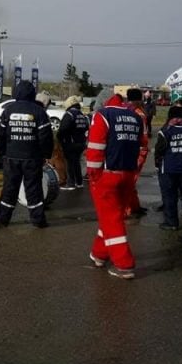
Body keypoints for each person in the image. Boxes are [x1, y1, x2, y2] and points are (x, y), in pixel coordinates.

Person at [86, 93, 146, 279]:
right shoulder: (136, 117)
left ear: (103, 101)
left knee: (112, 220)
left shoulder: (103, 115)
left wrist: (93, 174)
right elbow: (143, 144)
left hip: (107, 174)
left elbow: (95, 147)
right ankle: (99, 254)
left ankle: (124, 264)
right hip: (127, 174)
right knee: (112, 216)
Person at [0, 80, 54, 228]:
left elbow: (0, 134)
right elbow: (45, 136)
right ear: (32, 94)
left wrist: (0, 152)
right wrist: (46, 154)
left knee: (9, 188)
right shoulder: (39, 111)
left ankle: (2, 218)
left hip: (11, 157)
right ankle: (38, 220)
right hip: (32, 157)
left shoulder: (8, 110)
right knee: (33, 189)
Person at [154, 105, 182, 230]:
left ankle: (171, 222)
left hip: (168, 169)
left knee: (169, 195)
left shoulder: (166, 130)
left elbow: (159, 150)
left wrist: (157, 165)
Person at [124, 88, 150, 216]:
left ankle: (133, 207)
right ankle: (128, 208)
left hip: (127, 149)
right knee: (130, 180)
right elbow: (143, 136)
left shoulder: (123, 110)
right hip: (137, 150)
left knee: (129, 179)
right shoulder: (139, 113)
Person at [57, 95, 89, 190]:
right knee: (76, 163)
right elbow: (86, 127)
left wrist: (60, 140)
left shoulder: (69, 114)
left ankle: (71, 183)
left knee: (70, 163)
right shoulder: (81, 114)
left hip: (70, 143)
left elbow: (63, 129)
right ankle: (79, 182)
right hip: (81, 143)